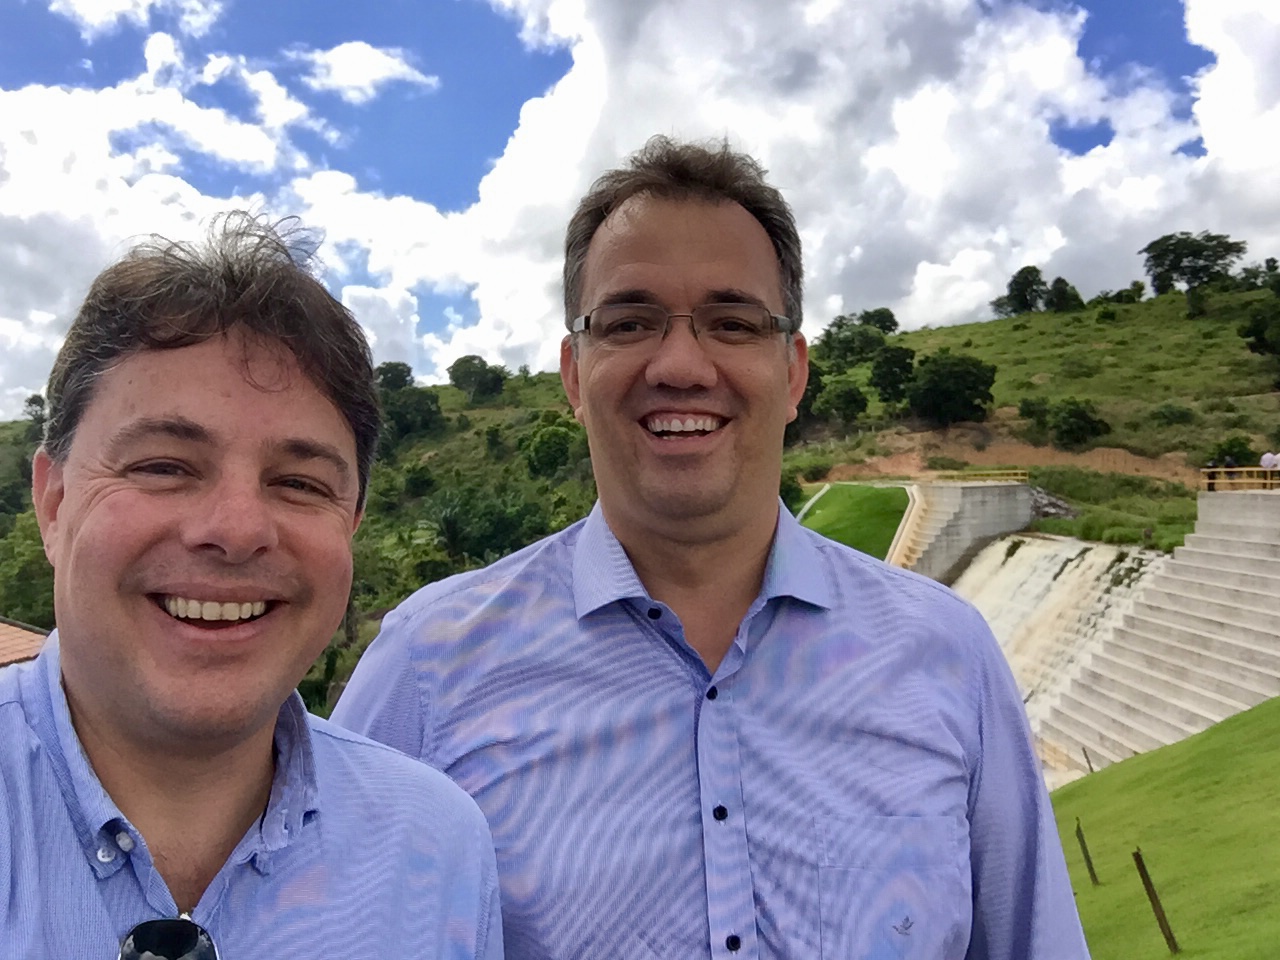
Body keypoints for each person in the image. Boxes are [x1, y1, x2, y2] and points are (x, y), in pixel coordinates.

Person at [333, 137, 1089, 959]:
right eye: (629, 321)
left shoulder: (949, 655)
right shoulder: (428, 667)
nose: (683, 364)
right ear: (573, 374)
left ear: (794, 371)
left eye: (732, 322)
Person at [0, 215, 502, 959]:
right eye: (164, 466)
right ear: (53, 500)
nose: (236, 529)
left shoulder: (436, 847)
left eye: (298, 483)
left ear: (353, 525)